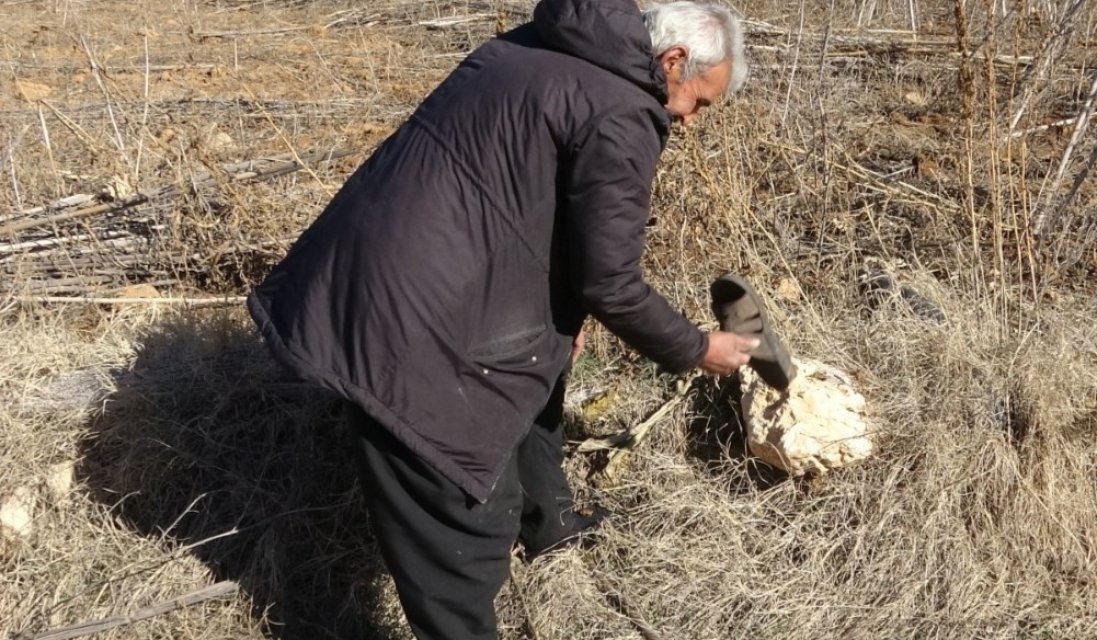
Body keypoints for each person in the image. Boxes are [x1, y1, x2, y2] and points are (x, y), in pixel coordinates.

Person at [247, 0, 753, 637]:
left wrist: (566, 312)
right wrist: (696, 347)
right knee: (461, 522)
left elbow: (523, 194)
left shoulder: (540, 46)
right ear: (674, 61)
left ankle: (550, 523)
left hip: (372, 264)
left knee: (540, 364)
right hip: (416, 320)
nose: (688, 119)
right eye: (698, 102)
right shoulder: (623, 111)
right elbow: (613, 284)